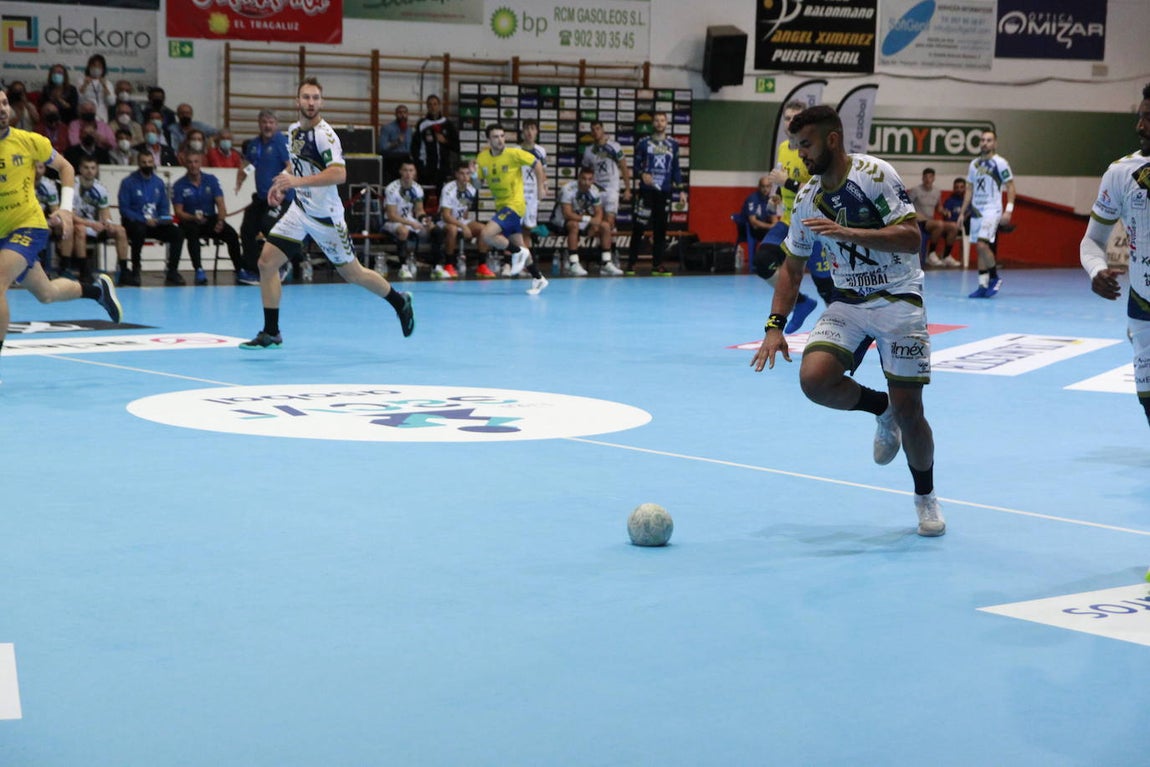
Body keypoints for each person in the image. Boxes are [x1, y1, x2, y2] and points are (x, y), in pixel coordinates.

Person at [750, 104, 945, 538]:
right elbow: (792, 267)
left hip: (898, 296)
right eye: (797, 146)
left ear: (832, 140)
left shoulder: (874, 175)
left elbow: (913, 237)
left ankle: (926, 498)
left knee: (913, 411)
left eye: (807, 144)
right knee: (814, 379)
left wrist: (851, 233)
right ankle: (881, 409)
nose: (800, 154)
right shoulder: (805, 198)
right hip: (849, 301)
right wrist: (774, 326)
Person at [239, 77, 414, 349]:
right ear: (297, 101)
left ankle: (399, 300)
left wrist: (295, 183)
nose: (311, 103)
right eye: (306, 97)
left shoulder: (325, 135)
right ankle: (271, 332)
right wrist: (281, 182)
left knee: (353, 274)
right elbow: (297, 166)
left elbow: (339, 173)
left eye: (315, 98)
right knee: (266, 263)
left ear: (321, 102)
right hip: (300, 210)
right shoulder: (294, 130)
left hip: (326, 219)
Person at [0, 86, 122, 379]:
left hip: (27, 226)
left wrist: (66, 209)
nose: (2, 109)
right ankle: (97, 290)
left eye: (4, 103)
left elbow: (66, 167)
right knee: (47, 293)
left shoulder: (29, 142)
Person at [1079, 82, 1150, 431]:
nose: (1140, 126)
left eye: (1148, 118)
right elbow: (1092, 241)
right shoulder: (1120, 173)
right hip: (1143, 304)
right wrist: (1096, 270)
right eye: (1140, 117)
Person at [761, 100, 827, 333]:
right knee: (762, 261)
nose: (790, 122)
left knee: (827, 287)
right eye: (787, 118)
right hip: (789, 221)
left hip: (815, 226)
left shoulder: (812, 151)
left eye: (795, 118)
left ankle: (847, 333)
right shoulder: (783, 148)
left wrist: (785, 182)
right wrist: (777, 195)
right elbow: (783, 182)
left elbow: (817, 191)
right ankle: (800, 302)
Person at [474, 121, 549, 294]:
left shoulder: (514, 153)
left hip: (515, 205)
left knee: (487, 234)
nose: (500, 140)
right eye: (495, 137)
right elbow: (478, 185)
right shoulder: (482, 158)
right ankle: (538, 278)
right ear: (488, 140)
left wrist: (540, 187)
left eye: (502, 136)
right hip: (501, 206)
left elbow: (537, 164)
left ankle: (517, 252)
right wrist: (473, 175)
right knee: (519, 243)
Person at [172, 150, 250, 286]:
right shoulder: (179, 185)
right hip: (190, 220)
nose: (193, 165)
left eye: (196, 162)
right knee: (192, 233)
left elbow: (220, 204)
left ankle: (239, 269)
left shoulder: (211, 180)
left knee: (231, 234)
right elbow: (178, 212)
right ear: (185, 164)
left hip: (210, 218)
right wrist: (192, 217)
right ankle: (199, 270)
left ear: (200, 163)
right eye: (190, 162)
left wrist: (220, 221)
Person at [627, 111, 686, 277]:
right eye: (656, 120)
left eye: (662, 120)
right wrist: (641, 175)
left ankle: (657, 265)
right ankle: (631, 263)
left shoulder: (673, 144)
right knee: (639, 227)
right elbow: (636, 165)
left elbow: (675, 168)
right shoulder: (643, 143)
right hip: (646, 191)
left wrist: (681, 190)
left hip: (664, 191)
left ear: (666, 123)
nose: (659, 123)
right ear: (652, 123)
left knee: (661, 229)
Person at [958, 129, 1015, 297]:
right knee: (979, 248)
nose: (985, 143)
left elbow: (1011, 186)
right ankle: (982, 286)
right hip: (977, 210)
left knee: (983, 244)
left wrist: (1008, 210)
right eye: (982, 140)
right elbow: (969, 189)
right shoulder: (974, 164)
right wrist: (962, 212)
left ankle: (995, 278)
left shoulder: (1000, 163)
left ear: (995, 143)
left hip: (992, 210)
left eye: (989, 140)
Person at [237, 110, 293, 276]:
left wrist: (281, 188)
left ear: (276, 124)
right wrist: (240, 178)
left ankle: (281, 266)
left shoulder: (282, 142)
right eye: (264, 122)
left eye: (271, 122)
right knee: (247, 229)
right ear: (259, 124)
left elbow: (291, 166)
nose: (268, 126)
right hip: (262, 198)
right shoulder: (255, 144)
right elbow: (249, 163)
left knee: (270, 226)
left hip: (281, 198)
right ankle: (253, 269)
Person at [117, 151, 185, 286]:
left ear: (153, 163)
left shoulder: (159, 183)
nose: (147, 165)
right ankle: (135, 270)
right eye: (144, 162)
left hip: (155, 223)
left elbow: (164, 207)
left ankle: (172, 271)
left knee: (177, 233)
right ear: (138, 163)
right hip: (135, 223)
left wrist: (160, 219)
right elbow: (124, 209)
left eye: (149, 162)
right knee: (138, 231)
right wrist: (143, 219)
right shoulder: (128, 182)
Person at [581, 120, 631, 270]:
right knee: (597, 225)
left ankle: (607, 259)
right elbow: (585, 172)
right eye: (593, 129)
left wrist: (627, 188)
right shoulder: (589, 151)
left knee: (608, 223)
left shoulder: (614, 147)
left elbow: (624, 167)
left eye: (598, 128)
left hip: (611, 189)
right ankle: (603, 258)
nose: (596, 132)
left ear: (603, 130)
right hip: (595, 190)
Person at [70, 156, 128, 280]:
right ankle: (84, 271)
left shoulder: (100, 188)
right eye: (86, 168)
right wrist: (91, 224)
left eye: (92, 168)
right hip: (77, 224)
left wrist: (108, 223)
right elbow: (71, 216)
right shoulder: (72, 186)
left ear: (96, 170)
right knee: (80, 229)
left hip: (94, 225)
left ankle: (124, 271)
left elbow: (105, 212)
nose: (89, 171)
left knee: (120, 230)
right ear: (80, 169)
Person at [549, 166, 610, 276]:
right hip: (560, 220)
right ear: (578, 178)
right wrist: (590, 220)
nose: (586, 182)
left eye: (589, 179)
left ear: (593, 180)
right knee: (574, 225)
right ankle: (574, 263)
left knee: (605, 226)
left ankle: (606, 262)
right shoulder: (567, 189)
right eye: (584, 179)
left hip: (582, 218)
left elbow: (599, 211)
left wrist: (595, 224)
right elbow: (567, 214)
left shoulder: (594, 190)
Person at [383, 159, 435, 280]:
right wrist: (411, 223)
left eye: (411, 170)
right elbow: (391, 215)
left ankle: (436, 266)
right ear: (400, 171)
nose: (408, 173)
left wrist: (424, 220)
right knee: (403, 231)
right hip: (391, 222)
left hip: (409, 220)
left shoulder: (417, 189)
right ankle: (403, 267)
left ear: (415, 172)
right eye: (405, 170)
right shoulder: (392, 189)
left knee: (434, 229)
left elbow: (419, 210)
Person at [438, 161, 491, 278]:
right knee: (452, 229)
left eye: (467, 174)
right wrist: (463, 226)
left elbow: (465, 210)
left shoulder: (471, 188)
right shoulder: (448, 188)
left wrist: (465, 225)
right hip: (445, 221)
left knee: (484, 229)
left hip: (461, 220)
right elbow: (446, 216)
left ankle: (482, 265)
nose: (465, 177)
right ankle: (448, 265)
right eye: (462, 174)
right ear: (456, 174)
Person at [413, 95, 459, 188]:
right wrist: (418, 165)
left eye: (435, 104)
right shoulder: (422, 124)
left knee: (443, 197)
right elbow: (415, 147)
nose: (432, 107)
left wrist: (445, 141)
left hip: (443, 167)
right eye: (430, 104)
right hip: (426, 167)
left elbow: (457, 146)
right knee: (423, 195)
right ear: (427, 107)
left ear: (439, 106)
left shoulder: (447, 124)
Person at [34, 161, 70, 274]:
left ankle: (63, 265)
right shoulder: (21, 182)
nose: (37, 171)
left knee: (63, 225)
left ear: (45, 169)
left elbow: (55, 210)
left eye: (40, 167)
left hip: (43, 220)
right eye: (34, 167)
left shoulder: (49, 185)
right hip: (23, 218)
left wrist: (55, 220)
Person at [517, 119, 547, 255]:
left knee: (527, 230)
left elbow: (543, 172)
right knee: (514, 228)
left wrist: (543, 187)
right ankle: (508, 263)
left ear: (537, 132)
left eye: (533, 129)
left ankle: (524, 262)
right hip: (518, 194)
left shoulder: (541, 151)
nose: (529, 132)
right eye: (527, 129)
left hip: (532, 195)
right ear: (522, 131)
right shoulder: (515, 150)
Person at [908, 168, 947, 267]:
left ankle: (947, 256)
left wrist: (945, 211)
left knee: (953, 227)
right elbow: (906, 205)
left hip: (930, 222)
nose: (927, 179)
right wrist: (915, 214)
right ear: (922, 178)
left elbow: (939, 207)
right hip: (918, 222)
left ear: (934, 178)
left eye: (930, 177)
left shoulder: (937, 191)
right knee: (939, 225)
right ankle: (931, 254)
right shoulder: (915, 190)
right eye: (925, 177)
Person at [735, 175, 779, 248]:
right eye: (763, 186)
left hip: (762, 227)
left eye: (768, 186)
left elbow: (774, 220)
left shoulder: (770, 200)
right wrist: (770, 226)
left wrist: (775, 227)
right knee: (770, 234)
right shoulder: (753, 199)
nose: (765, 189)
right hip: (749, 229)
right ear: (759, 187)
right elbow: (753, 221)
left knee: (780, 234)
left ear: (771, 187)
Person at [378, 104, 414, 183]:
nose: (402, 115)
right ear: (396, 114)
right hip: (392, 160)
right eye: (400, 113)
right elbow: (382, 147)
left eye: (405, 113)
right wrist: (396, 142)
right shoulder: (387, 128)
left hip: (406, 160)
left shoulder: (409, 130)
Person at [937, 178, 967, 267]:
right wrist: (946, 212)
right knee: (953, 227)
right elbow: (946, 215)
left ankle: (946, 256)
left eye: (961, 187)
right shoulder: (949, 201)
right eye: (957, 187)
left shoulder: (967, 201)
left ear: (965, 188)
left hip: (965, 228)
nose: (959, 189)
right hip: (950, 227)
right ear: (954, 188)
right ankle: (946, 256)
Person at [77, 54, 116, 121]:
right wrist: (85, 85)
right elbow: (79, 100)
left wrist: (104, 86)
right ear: (89, 67)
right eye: (94, 65)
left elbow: (111, 102)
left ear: (103, 69)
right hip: (86, 115)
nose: (96, 68)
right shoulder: (81, 81)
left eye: (99, 66)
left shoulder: (108, 83)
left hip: (102, 117)